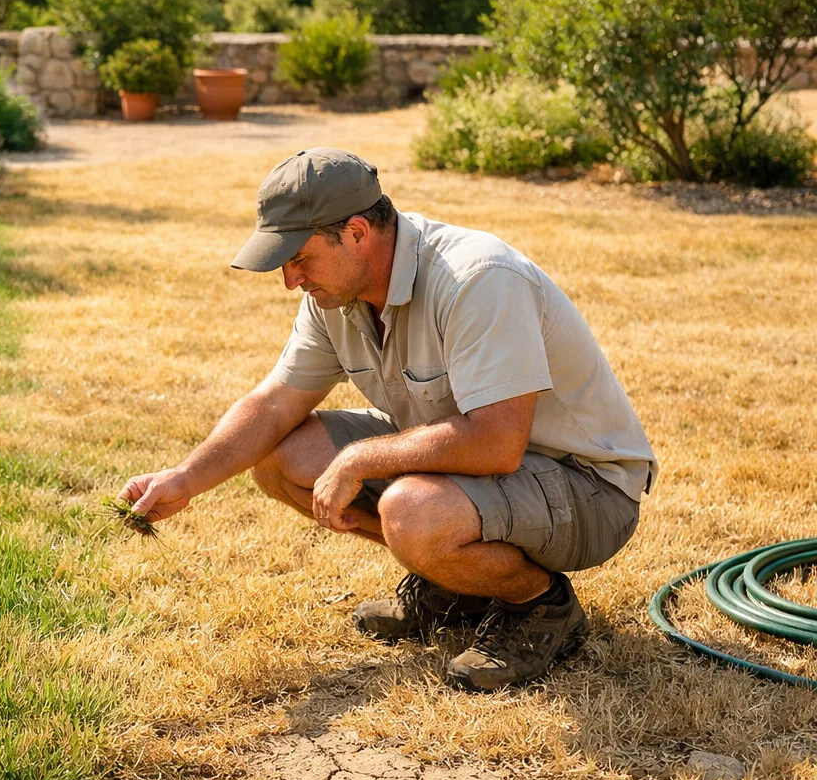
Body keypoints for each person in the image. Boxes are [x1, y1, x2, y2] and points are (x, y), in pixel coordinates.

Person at [119, 148, 657, 690]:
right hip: (481, 476)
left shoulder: (477, 278)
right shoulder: (335, 295)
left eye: (299, 256)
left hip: (586, 489)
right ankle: (454, 578)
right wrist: (185, 478)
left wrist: (360, 458)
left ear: (356, 232)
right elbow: (275, 405)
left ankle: (540, 605)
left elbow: (497, 443)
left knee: (412, 511)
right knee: (281, 458)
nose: (290, 279)